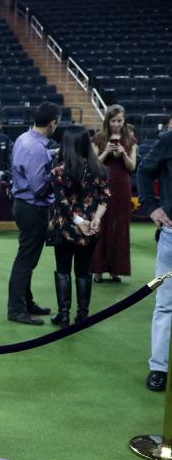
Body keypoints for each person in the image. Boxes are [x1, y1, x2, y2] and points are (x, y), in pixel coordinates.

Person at [47, 125, 109, 328]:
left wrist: (81, 222)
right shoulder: (98, 169)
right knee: (84, 272)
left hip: (66, 227)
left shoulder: (58, 171)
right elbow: (105, 197)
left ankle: (63, 315)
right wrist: (96, 220)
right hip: (91, 229)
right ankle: (83, 316)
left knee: (63, 270)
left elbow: (61, 202)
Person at [7, 102, 60, 325]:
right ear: (53, 123)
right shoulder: (37, 149)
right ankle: (16, 309)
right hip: (33, 208)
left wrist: (54, 153)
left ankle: (26, 302)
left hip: (22, 205)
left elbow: (36, 158)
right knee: (26, 260)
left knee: (26, 258)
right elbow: (39, 187)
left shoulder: (23, 138)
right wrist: (58, 175)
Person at [138, 121, 172, 391]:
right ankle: (159, 367)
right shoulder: (168, 140)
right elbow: (144, 171)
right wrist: (151, 207)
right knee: (166, 303)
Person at [90, 104, 136, 283]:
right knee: (100, 225)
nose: (116, 124)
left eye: (120, 121)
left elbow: (132, 167)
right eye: (113, 120)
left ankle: (116, 270)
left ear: (124, 121)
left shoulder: (130, 139)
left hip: (122, 187)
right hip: (102, 185)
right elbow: (94, 165)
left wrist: (124, 153)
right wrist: (106, 152)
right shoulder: (98, 138)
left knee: (120, 227)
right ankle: (98, 270)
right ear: (107, 120)